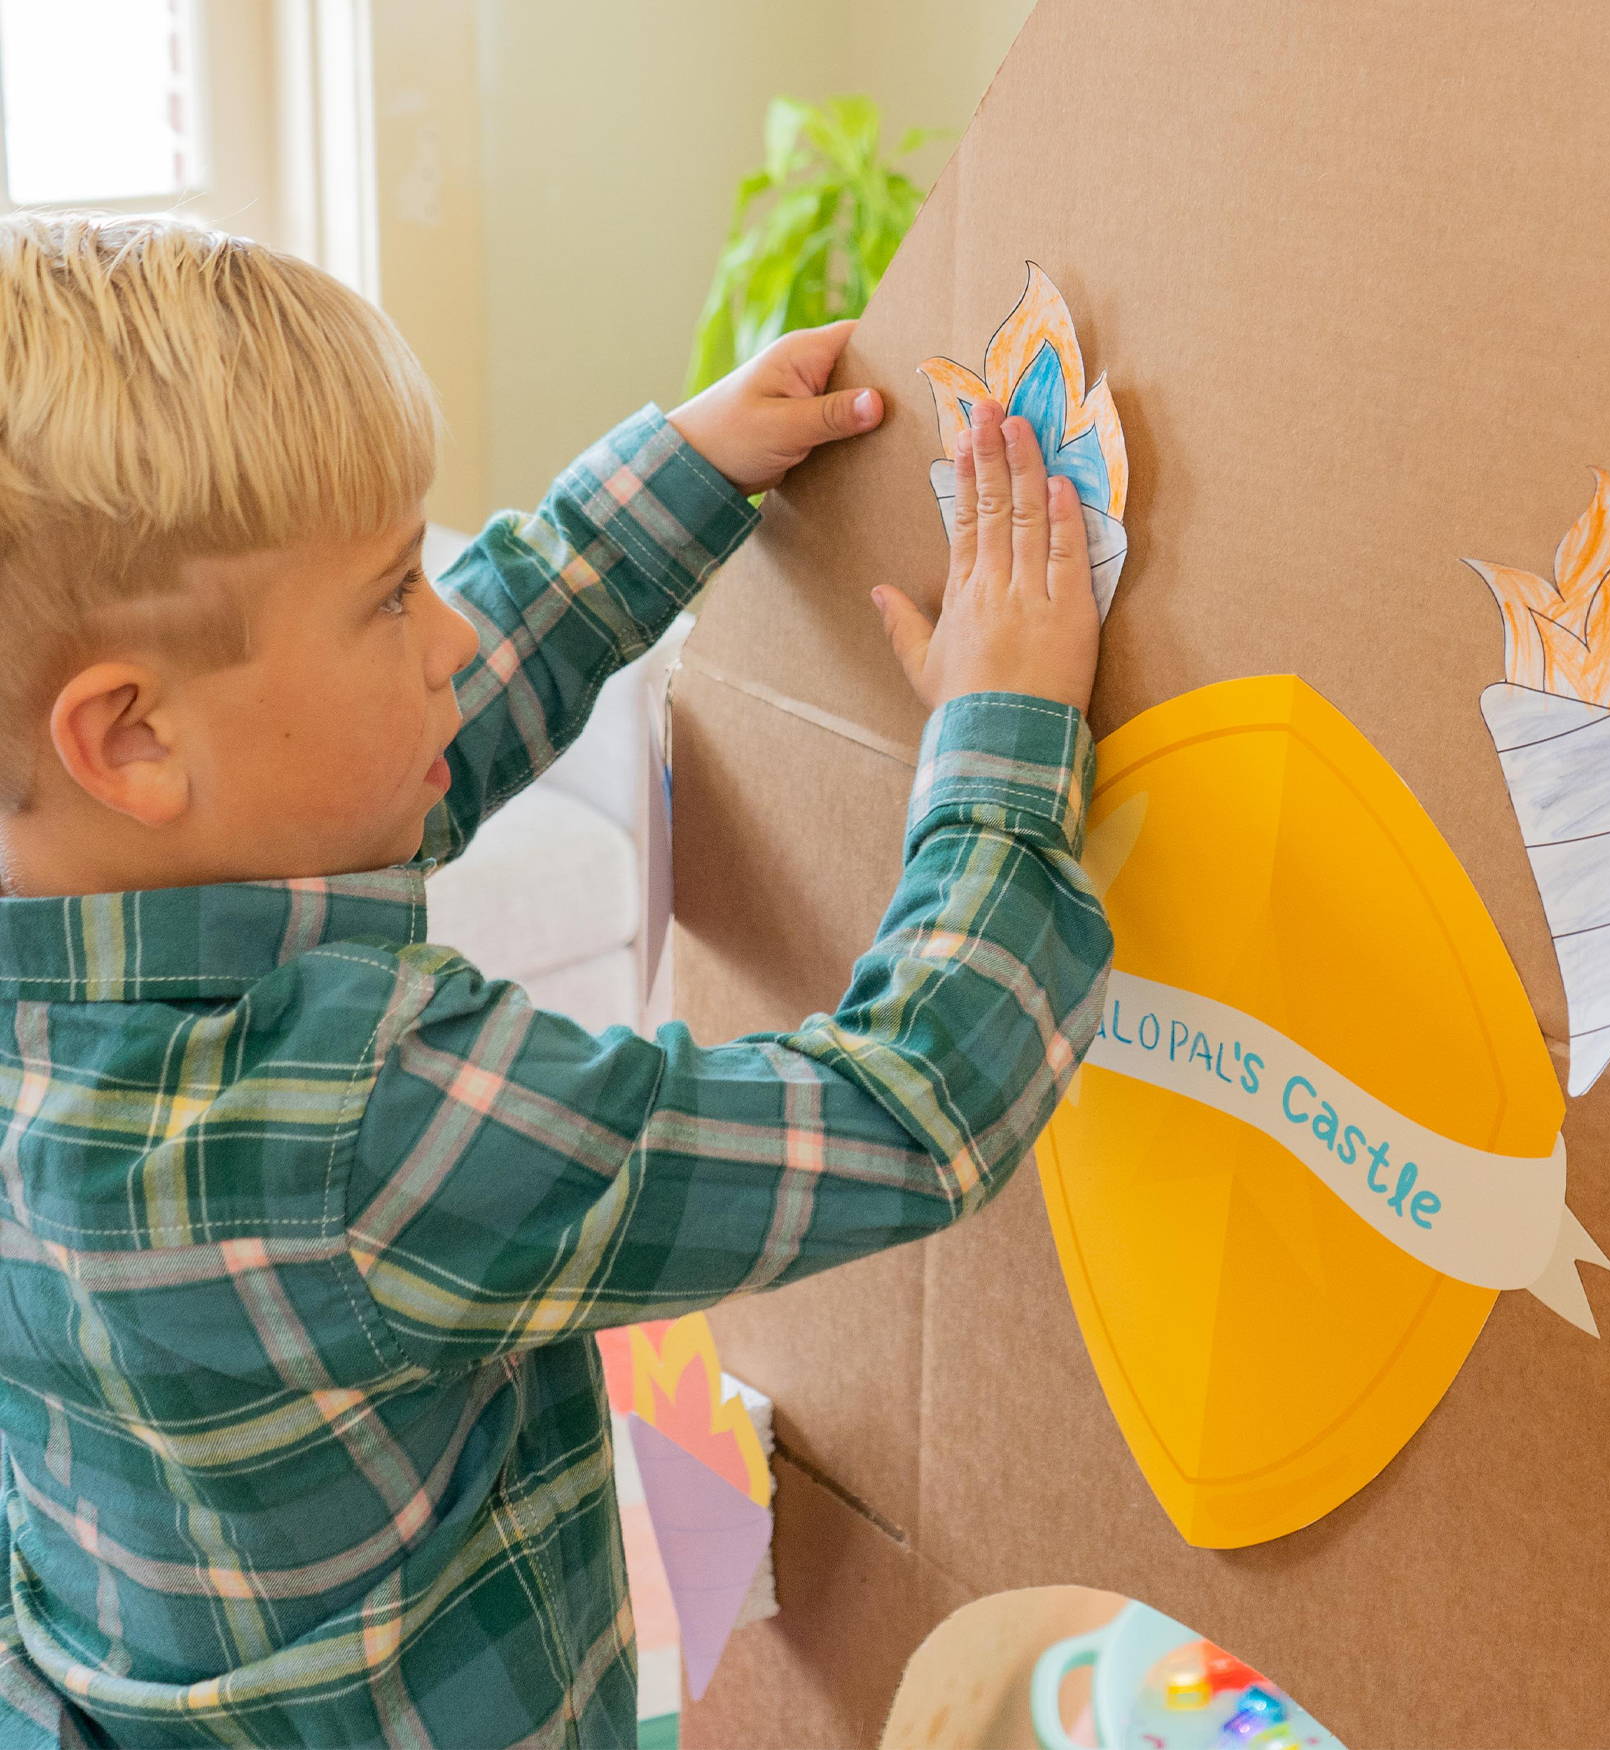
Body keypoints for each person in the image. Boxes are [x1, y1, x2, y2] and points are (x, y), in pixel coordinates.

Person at [0, 211, 1111, 1748]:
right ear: (129, 737)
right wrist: (1001, 742)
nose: (448, 630)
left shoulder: (82, 911)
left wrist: (679, 476)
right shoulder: (351, 1131)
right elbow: (909, 1115)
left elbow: (407, 759)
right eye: (394, 593)